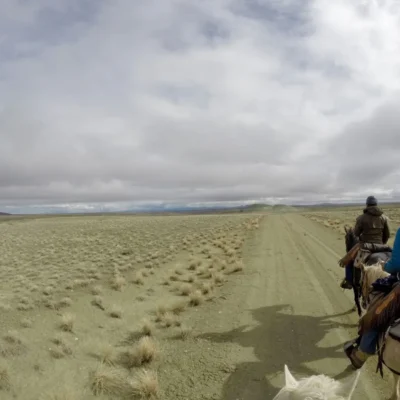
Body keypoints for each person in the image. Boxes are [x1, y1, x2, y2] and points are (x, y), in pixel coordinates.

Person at [344, 227, 400, 369]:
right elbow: (386, 233)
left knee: (376, 315)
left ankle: (362, 354)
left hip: (365, 244)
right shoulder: (384, 217)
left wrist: (385, 266)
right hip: (382, 243)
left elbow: (397, 263)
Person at [340, 195, 391, 289]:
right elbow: (387, 234)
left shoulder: (361, 218)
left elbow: (356, 233)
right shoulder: (384, 218)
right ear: (376, 204)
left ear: (367, 205)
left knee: (350, 260)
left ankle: (349, 281)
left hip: (365, 246)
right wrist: (381, 244)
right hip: (381, 246)